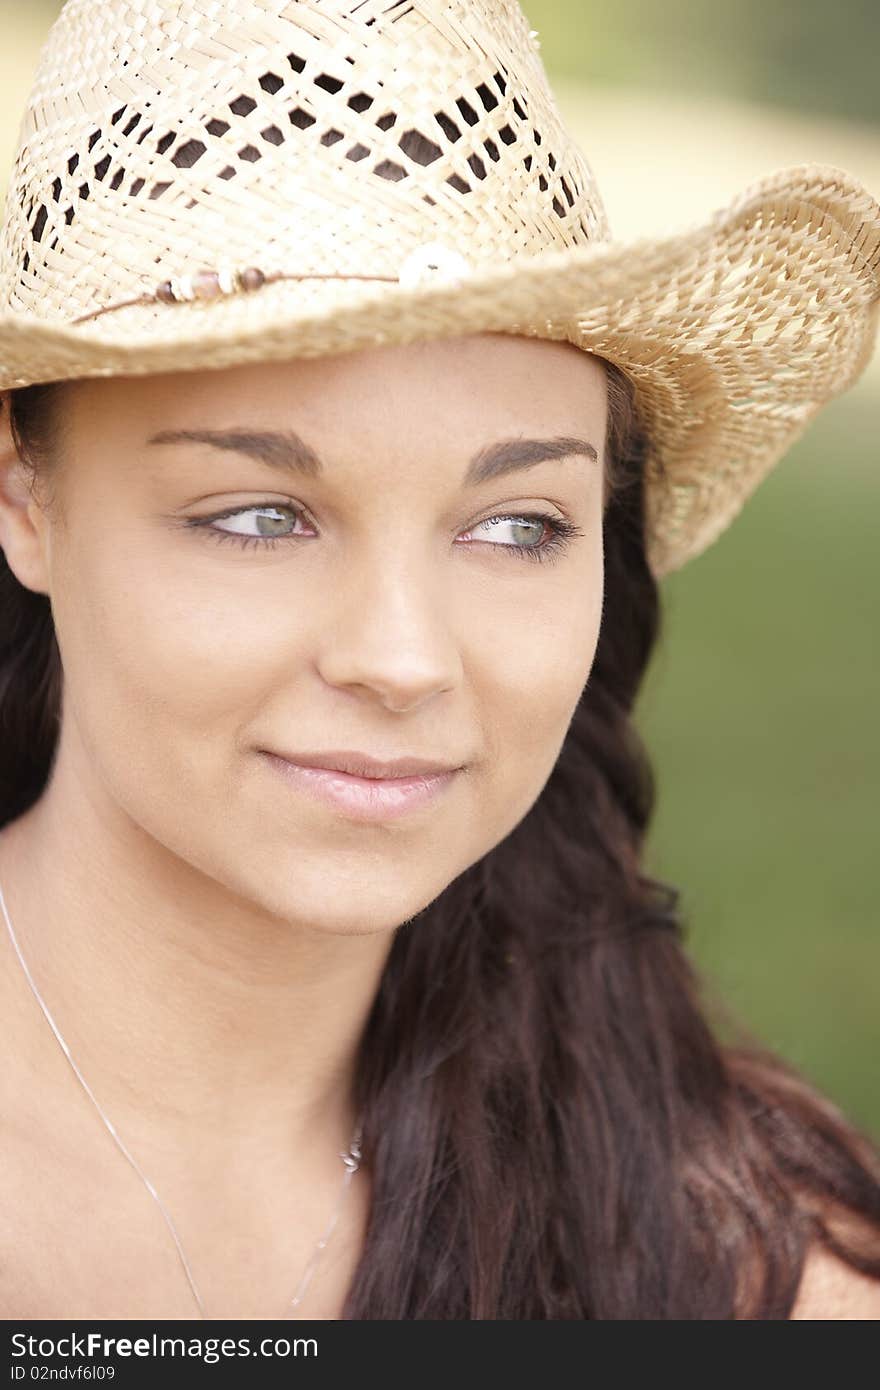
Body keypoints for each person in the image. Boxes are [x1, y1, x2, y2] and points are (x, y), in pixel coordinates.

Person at [0, 0, 878, 1321]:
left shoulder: (753, 1263)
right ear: (23, 497)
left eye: (516, 525)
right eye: (259, 515)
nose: (402, 659)